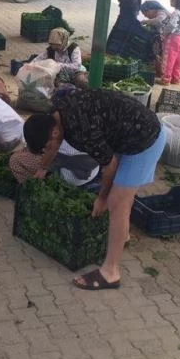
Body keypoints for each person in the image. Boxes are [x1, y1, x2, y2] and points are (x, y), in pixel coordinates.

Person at [23, 89, 167, 290]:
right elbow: (54, 145)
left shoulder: (82, 130)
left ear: (54, 132)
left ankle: (110, 273)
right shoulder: (57, 112)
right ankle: (121, 236)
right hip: (129, 130)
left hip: (144, 140)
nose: (48, 151)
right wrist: (43, 168)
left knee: (117, 203)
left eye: (46, 147)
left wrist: (102, 198)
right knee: (121, 199)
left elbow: (110, 166)